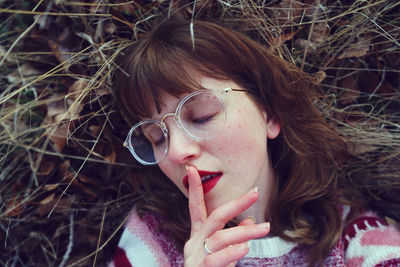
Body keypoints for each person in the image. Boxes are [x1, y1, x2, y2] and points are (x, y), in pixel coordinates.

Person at [109, 15, 400, 267]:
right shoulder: (154, 237)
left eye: (201, 116)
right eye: (158, 138)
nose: (176, 152)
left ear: (269, 114)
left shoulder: (354, 237)